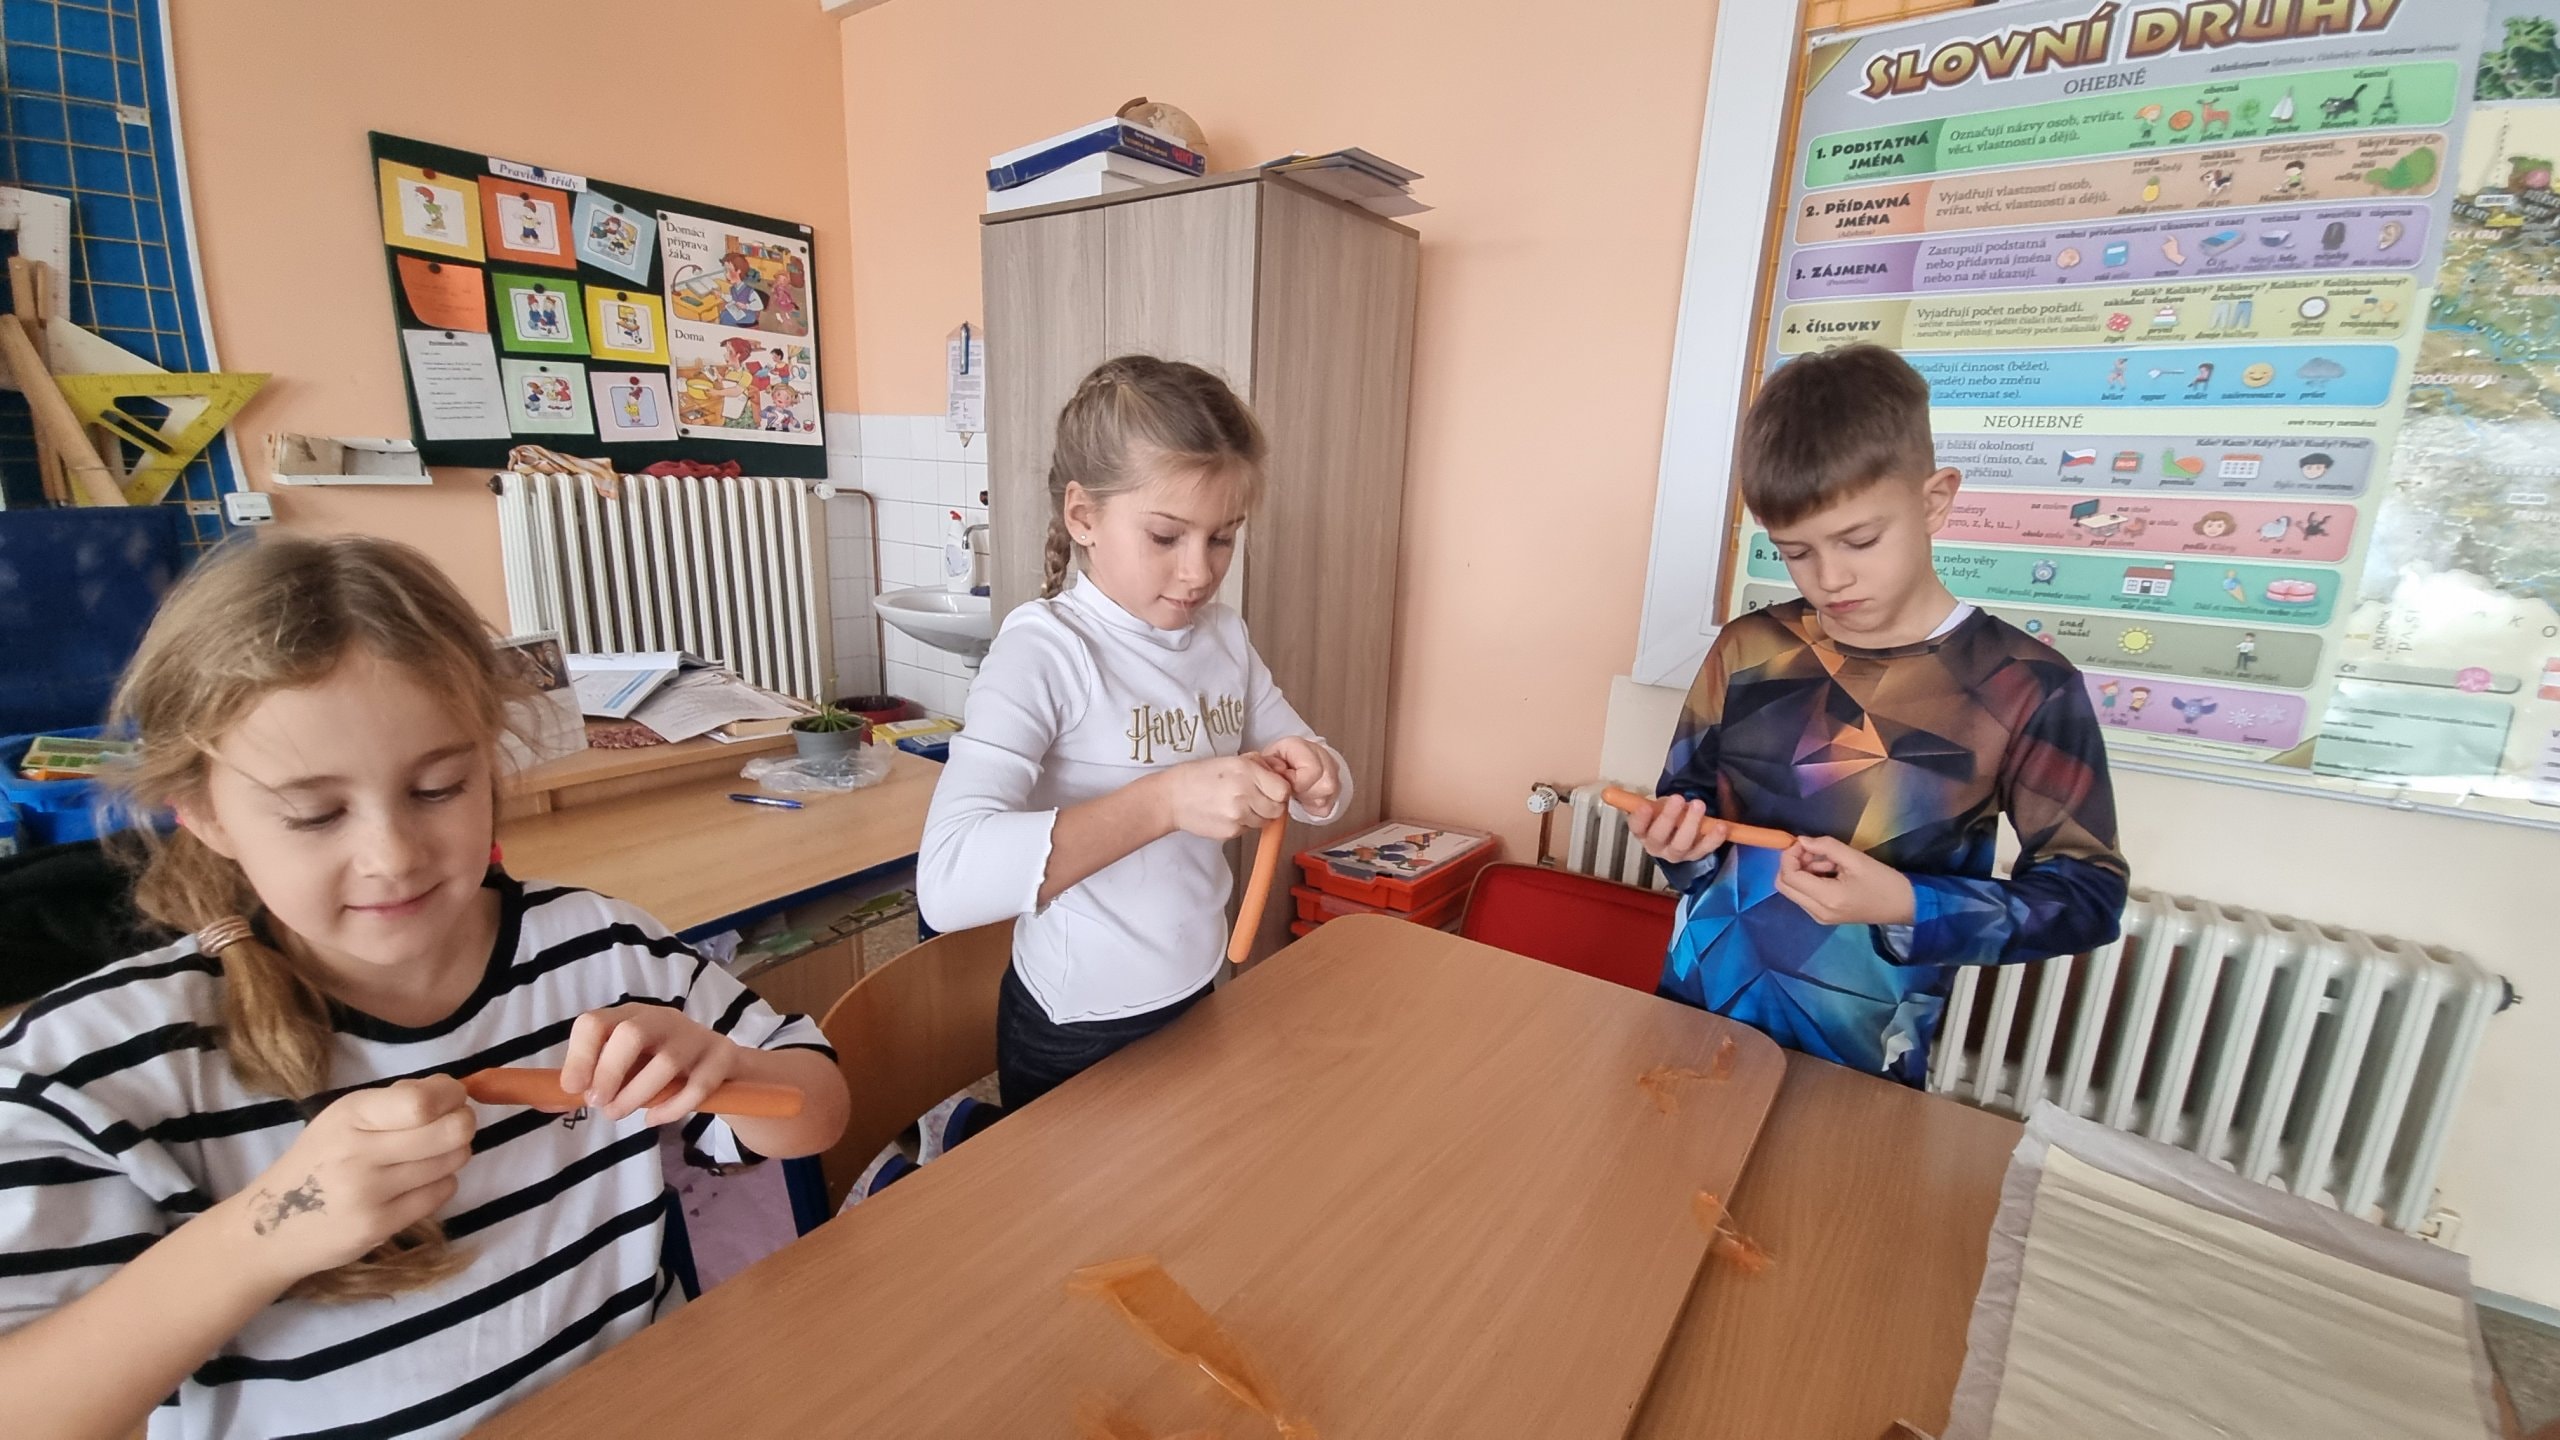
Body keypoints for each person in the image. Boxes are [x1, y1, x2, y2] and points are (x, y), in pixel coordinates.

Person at [0, 536, 849, 1438]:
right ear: (204, 812)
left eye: (439, 788)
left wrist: (724, 1070)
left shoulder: (602, 948)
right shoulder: (94, 1067)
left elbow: (815, 1106)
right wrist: (265, 1232)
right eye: (314, 814)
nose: (393, 856)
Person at [1627, 344, 2128, 1086]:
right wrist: (1676, 843)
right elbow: (1690, 830)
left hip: (1864, 1057)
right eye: (1795, 552)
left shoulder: (2028, 686)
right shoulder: (1748, 648)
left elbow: (2088, 898)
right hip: (1693, 1019)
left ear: (1935, 500)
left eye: (1860, 540)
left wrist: (1908, 903)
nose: (1830, 578)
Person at [918, 356, 1349, 1110]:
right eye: (1166, 536)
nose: (1199, 572)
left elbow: (1311, 760)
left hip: (1198, 985)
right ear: (1083, 517)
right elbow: (948, 882)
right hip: (1078, 1023)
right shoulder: (1045, 651)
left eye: (1223, 538)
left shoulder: (1223, 637)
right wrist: (1166, 801)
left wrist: (1317, 771)